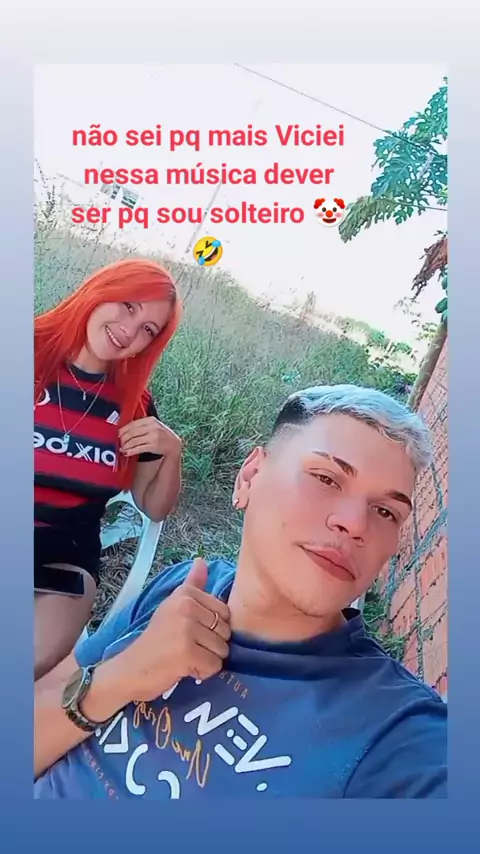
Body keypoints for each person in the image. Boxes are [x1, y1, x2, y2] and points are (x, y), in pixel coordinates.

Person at [34, 384, 447, 799]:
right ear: (249, 477)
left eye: (385, 511)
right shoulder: (182, 587)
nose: (355, 524)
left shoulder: (394, 735)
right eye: (326, 478)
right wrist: (117, 679)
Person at [34, 258, 183, 681]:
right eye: (129, 306)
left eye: (148, 329)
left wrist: (172, 453)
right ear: (102, 290)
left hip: (64, 558)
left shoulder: (135, 406)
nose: (129, 330)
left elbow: (153, 507)